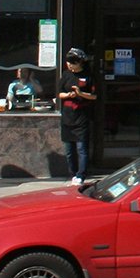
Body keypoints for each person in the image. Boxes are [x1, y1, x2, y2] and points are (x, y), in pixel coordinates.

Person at [57, 49, 96, 186]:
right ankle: (72, 173)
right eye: (68, 63)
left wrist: (80, 93)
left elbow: (94, 96)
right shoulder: (66, 75)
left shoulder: (88, 76)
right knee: (69, 150)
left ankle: (81, 174)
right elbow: (59, 93)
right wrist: (69, 95)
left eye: (72, 63)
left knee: (81, 148)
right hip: (67, 116)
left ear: (79, 63)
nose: (69, 65)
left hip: (81, 116)